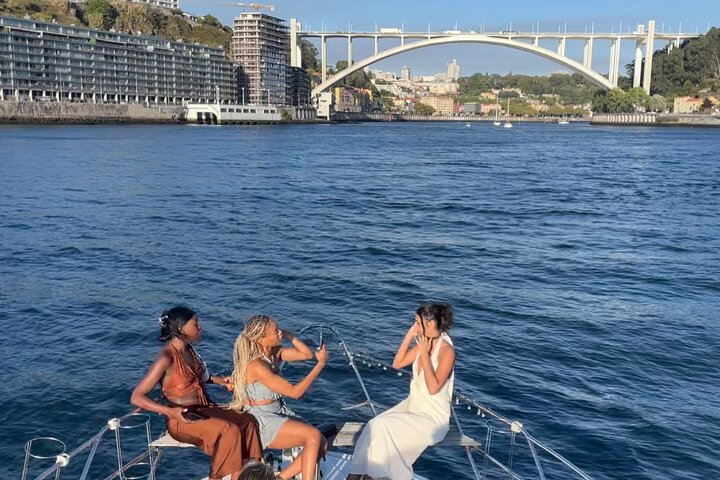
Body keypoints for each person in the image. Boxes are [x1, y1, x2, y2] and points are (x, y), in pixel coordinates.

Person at [131, 306, 263, 480]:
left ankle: (251, 472)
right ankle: (217, 476)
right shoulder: (166, 358)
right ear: (180, 328)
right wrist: (170, 412)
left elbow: (196, 377)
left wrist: (219, 380)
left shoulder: (189, 350)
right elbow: (136, 397)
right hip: (182, 419)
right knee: (228, 430)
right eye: (195, 324)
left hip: (203, 409)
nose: (200, 328)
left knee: (248, 421)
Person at [347, 303, 456, 480]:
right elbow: (397, 364)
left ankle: (371, 477)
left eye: (416, 322)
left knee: (383, 428)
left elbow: (433, 387)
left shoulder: (447, 351)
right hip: (413, 407)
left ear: (430, 324)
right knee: (373, 426)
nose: (414, 325)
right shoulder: (424, 341)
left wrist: (425, 355)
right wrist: (409, 335)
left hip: (433, 419)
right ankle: (352, 477)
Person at [230, 314, 329, 480]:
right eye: (276, 331)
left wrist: (290, 336)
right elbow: (295, 392)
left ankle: (279, 478)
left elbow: (307, 355)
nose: (280, 333)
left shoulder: (273, 353)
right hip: (261, 419)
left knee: (322, 444)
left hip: (277, 411)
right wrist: (320, 365)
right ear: (261, 338)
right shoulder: (256, 365)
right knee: (312, 436)